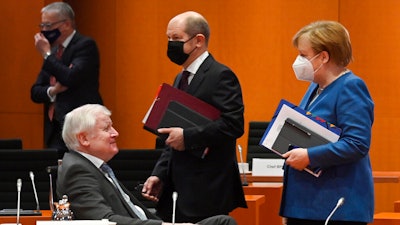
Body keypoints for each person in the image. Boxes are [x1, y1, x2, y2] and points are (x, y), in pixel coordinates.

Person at [142, 11, 246, 223]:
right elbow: (171, 133)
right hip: (178, 188)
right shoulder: (180, 77)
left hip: (208, 187)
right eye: (168, 39)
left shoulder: (220, 75)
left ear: (198, 40)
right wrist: (159, 173)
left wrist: (188, 137)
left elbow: (233, 124)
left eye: (176, 39)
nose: (171, 44)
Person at [57, 104, 237, 225]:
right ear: (83, 138)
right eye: (106, 129)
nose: (115, 133)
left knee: (222, 221)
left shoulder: (94, 166)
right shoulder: (78, 169)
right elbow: (105, 221)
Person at [280, 21, 374, 225]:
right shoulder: (315, 87)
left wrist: (309, 156)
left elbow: (357, 143)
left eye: (304, 55)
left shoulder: (351, 87)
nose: (298, 61)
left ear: (324, 56)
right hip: (307, 205)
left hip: (335, 205)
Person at [31, 2, 103, 158]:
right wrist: (53, 91)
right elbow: (35, 91)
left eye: (48, 26)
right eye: (42, 25)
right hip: (55, 129)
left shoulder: (85, 46)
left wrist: (46, 56)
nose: (43, 31)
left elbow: (70, 78)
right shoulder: (54, 51)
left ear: (66, 24)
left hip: (80, 128)